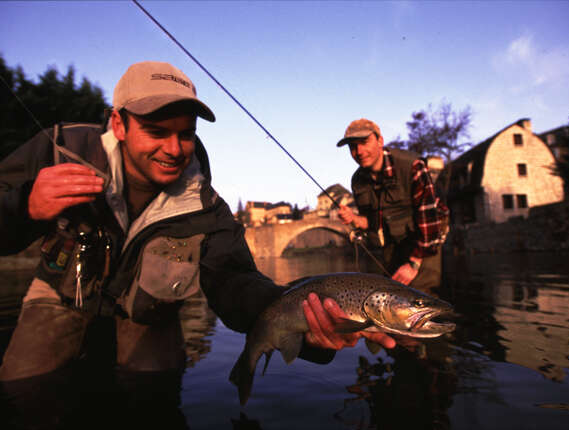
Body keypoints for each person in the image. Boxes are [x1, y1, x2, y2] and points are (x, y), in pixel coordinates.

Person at [0, 62, 394, 429]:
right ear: (118, 124)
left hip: (148, 315)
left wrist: (304, 325)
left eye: (185, 134)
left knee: (153, 399)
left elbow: (235, 283)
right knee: (24, 389)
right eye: (157, 131)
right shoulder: (58, 150)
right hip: (59, 296)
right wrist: (24, 207)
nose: (174, 149)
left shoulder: (205, 207)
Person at [336, 118, 447, 289]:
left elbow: (430, 220)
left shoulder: (413, 166)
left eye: (364, 142)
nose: (359, 151)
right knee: (392, 303)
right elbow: (372, 223)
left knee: (421, 300)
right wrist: (354, 219)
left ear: (380, 141)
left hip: (424, 243)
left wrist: (413, 264)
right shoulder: (357, 181)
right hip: (390, 248)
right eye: (352, 147)